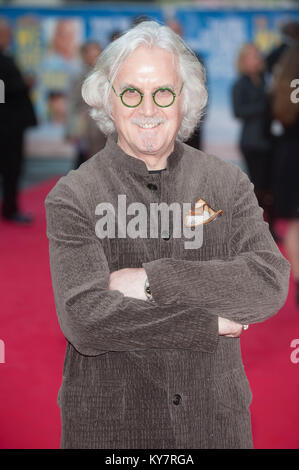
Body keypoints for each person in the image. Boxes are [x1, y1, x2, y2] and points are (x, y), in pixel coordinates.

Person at [45, 21, 290, 449]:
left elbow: (267, 283)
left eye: (163, 92)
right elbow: (85, 319)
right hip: (112, 431)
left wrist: (149, 281)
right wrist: (206, 323)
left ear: (184, 100)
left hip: (214, 424)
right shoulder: (73, 195)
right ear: (109, 99)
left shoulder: (228, 183)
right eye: (131, 93)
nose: (148, 109)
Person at [231, 43, 277, 239]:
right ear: (243, 60)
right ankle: (257, 231)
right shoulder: (240, 84)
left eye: (258, 56)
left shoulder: (265, 81)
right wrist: (265, 103)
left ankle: (270, 226)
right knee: (257, 187)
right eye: (252, 57)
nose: (257, 60)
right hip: (252, 142)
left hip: (269, 140)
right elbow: (238, 111)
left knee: (270, 187)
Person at [269, 45, 299, 305]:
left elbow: (279, 113)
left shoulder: (284, 79)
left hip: (289, 155)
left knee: (293, 222)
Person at [0, 18, 37, 224]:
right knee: (11, 167)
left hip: (12, 124)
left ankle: (10, 206)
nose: (10, 36)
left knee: (13, 168)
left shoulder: (7, 56)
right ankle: (9, 208)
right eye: (5, 33)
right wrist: (23, 85)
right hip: (6, 125)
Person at [67, 41, 106, 169]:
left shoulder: (108, 74)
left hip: (106, 123)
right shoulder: (79, 77)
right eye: (91, 54)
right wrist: (72, 129)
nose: (95, 58)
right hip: (86, 124)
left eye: (98, 53)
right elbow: (73, 103)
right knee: (87, 159)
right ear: (84, 57)